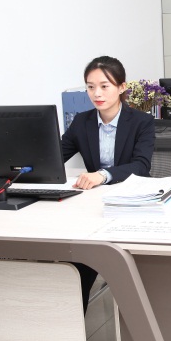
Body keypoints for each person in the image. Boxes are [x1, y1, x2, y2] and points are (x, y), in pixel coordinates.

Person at [61, 55, 155, 312]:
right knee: (76, 260)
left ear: (121, 87)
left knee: (91, 255)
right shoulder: (82, 122)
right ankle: (70, 321)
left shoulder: (141, 122)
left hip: (130, 203)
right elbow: (56, 156)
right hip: (93, 205)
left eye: (104, 86)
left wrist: (102, 175)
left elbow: (141, 166)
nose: (97, 93)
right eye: (91, 87)